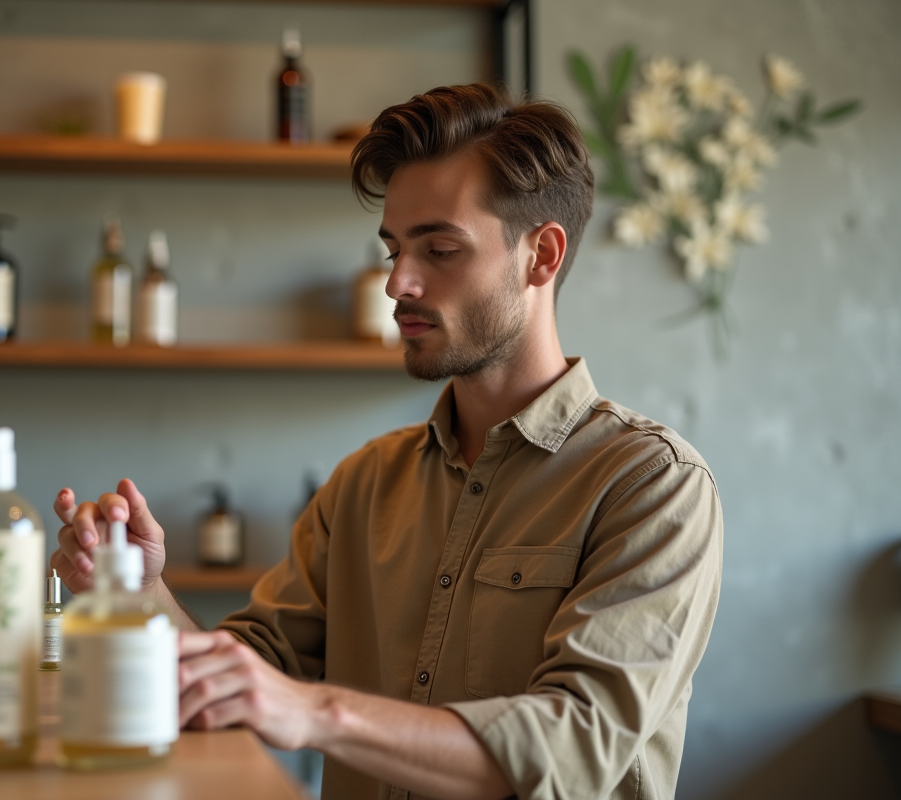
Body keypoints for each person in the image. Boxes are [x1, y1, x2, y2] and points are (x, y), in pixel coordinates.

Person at [51, 83, 722, 800]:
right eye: (394, 250)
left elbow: (575, 746)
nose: (398, 282)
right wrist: (142, 593)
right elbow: (250, 678)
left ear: (542, 256)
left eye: (440, 249)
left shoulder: (653, 486)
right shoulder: (363, 484)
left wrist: (317, 712)